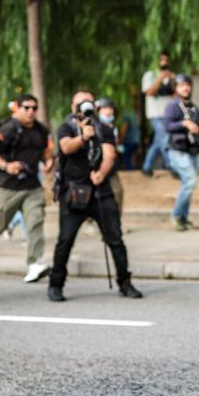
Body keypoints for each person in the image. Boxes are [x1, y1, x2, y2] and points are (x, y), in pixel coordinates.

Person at [47, 91, 142, 301]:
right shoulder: (66, 127)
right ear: (73, 106)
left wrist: (101, 173)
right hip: (74, 192)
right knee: (65, 240)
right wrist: (83, 137)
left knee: (115, 239)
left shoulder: (104, 128)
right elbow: (65, 147)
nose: (85, 107)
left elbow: (110, 153)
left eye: (88, 103)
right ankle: (56, 283)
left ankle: (125, 283)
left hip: (101, 192)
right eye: (80, 103)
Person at [0, 93, 53, 283]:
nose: (31, 112)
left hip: (32, 185)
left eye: (34, 108)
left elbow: (46, 151)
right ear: (16, 108)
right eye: (26, 108)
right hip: (8, 186)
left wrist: (49, 161)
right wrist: (7, 166)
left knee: (35, 222)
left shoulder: (40, 130)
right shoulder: (8, 128)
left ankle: (34, 264)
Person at [163, 74, 199, 231]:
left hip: (192, 151)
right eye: (182, 85)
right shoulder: (173, 106)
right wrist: (185, 123)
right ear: (175, 88)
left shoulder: (193, 107)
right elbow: (167, 126)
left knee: (188, 184)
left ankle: (183, 218)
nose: (186, 87)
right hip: (177, 150)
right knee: (190, 181)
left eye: (188, 84)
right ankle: (176, 215)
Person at [140, 51, 175, 176]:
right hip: (154, 114)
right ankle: (171, 167)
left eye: (166, 60)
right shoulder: (149, 75)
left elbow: (176, 94)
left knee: (157, 141)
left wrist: (172, 80)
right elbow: (148, 92)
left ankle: (146, 167)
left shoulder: (170, 76)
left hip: (167, 114)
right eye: (162, 59)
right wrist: (161, 78)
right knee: (165, 138)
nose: (164, 62)